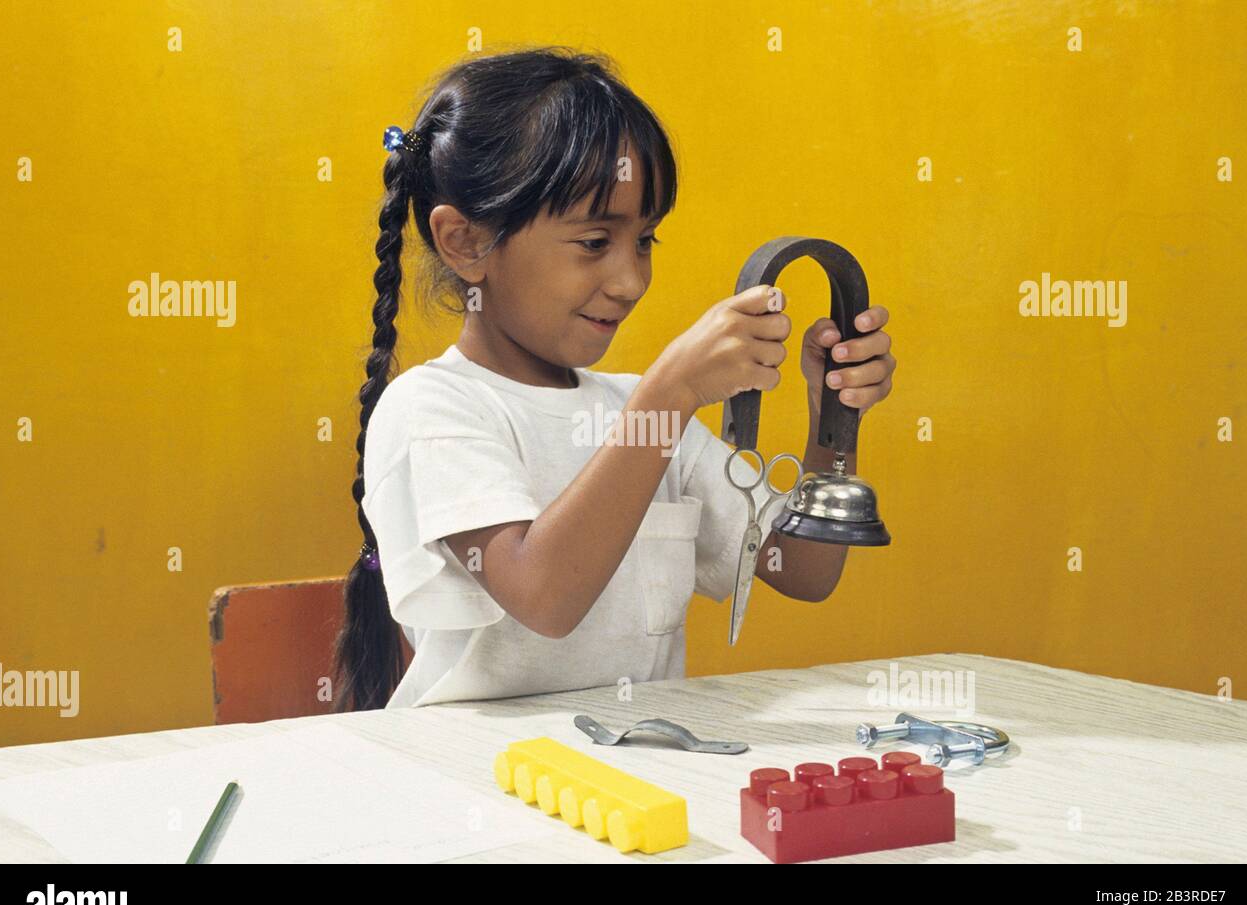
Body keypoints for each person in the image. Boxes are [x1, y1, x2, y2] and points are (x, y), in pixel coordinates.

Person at [332, 46, 896, 711]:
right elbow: (544, 598)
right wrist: (671, 396)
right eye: (595, 242)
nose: (631, 282)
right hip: (485, 785)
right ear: (467, 243)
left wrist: (833, 415)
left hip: (638, 781)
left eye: (645, 241)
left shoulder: (638, 410)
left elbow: (802, 569)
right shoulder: (434, 409)